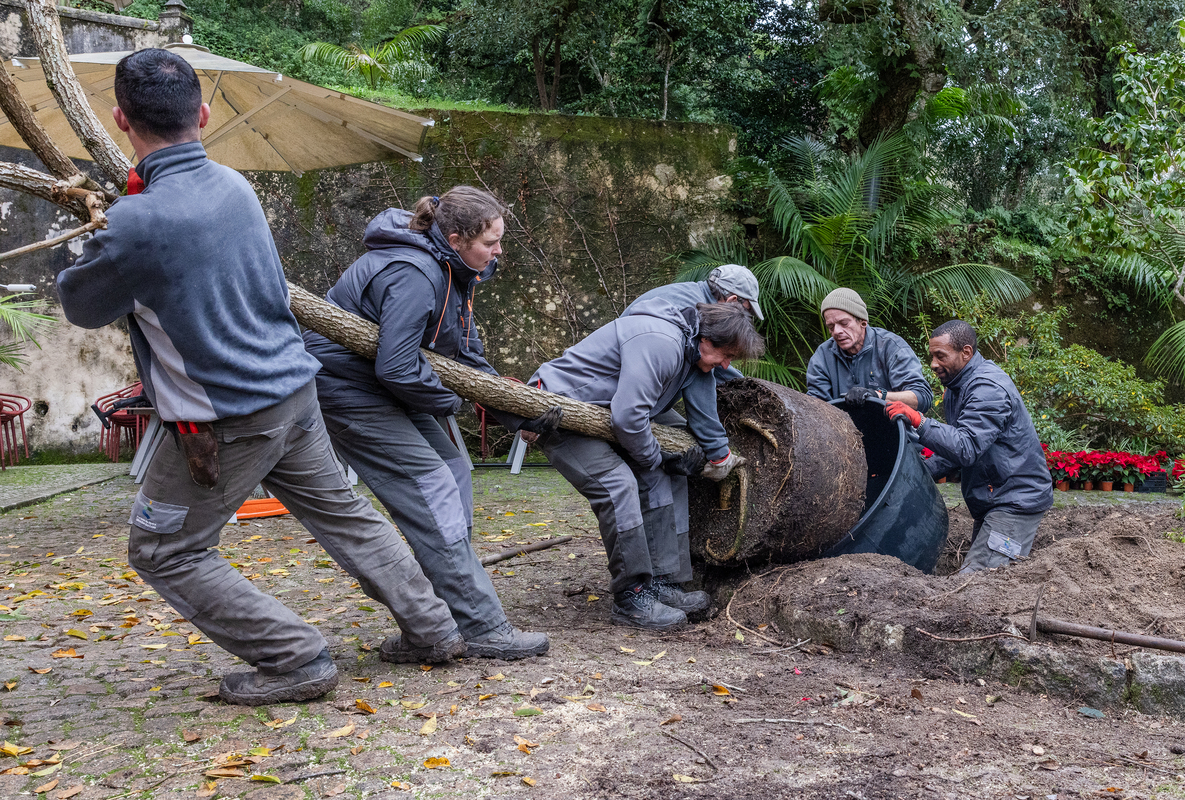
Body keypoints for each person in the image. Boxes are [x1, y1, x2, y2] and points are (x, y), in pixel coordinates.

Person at [55, 48, 464, 707]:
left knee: (166, 552)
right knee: (346, 515)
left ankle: (296, 657)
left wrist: (92, 230)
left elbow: (80, 304)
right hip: (294, 393)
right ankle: (434, 629)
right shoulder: (234, 187)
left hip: (224, 422)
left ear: (119, 120)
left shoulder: (134, 224)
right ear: (205, 115)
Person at [303, 187, 553, 661]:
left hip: (390, 386)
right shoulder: (415, 273)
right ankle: (480, 625)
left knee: (455, 472)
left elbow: (465, 356)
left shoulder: (456, 271)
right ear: (456, 238)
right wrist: (451, 402)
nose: (499, 251)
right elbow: (397, 366)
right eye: (490, 243)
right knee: (433, 488)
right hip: (351, 391)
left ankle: (444, 612)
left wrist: (516, 411)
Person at [529, 301, 765, 630]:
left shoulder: (690, 352)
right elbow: (628, 418)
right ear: (707, 341)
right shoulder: (662, 342)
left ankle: (663, 583)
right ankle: (632, 596)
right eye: (726, 356)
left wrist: (671, 460)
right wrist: (655, 456)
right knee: (617, 485)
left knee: (663, 477)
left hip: (604, 417)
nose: (726, 365)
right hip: (559, 416)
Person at [886, 320, 1053, 573]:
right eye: (932, 356)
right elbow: (956, 451)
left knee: (978, 582)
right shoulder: (958, 386)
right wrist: (916, 470)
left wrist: (920, 421)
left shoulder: (987, 388)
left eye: (940, 356)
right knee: (981, 579)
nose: (933, 364)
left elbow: (966, 446)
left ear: (966, 352)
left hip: (1015, 502)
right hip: (995, 498)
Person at [620, 264, 763, 477]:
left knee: (685, 439)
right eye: (747, 311)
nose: (746, 320)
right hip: (627, 403)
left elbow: (717, 361)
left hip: (641, 397)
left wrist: (750, 390)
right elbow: (702, 375)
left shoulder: (692, 296)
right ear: (733, 301)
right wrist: (720, 454)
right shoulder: (692, 315)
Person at [806, 287, 932, 412]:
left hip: (894, 427)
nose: (837, 331)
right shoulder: (823, 356)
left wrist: (878, 395)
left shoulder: (891, 347)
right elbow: (816, 406)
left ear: (863, 322)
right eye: (831, 326)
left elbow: (922, 397)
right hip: (840, 429)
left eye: (844, 323)